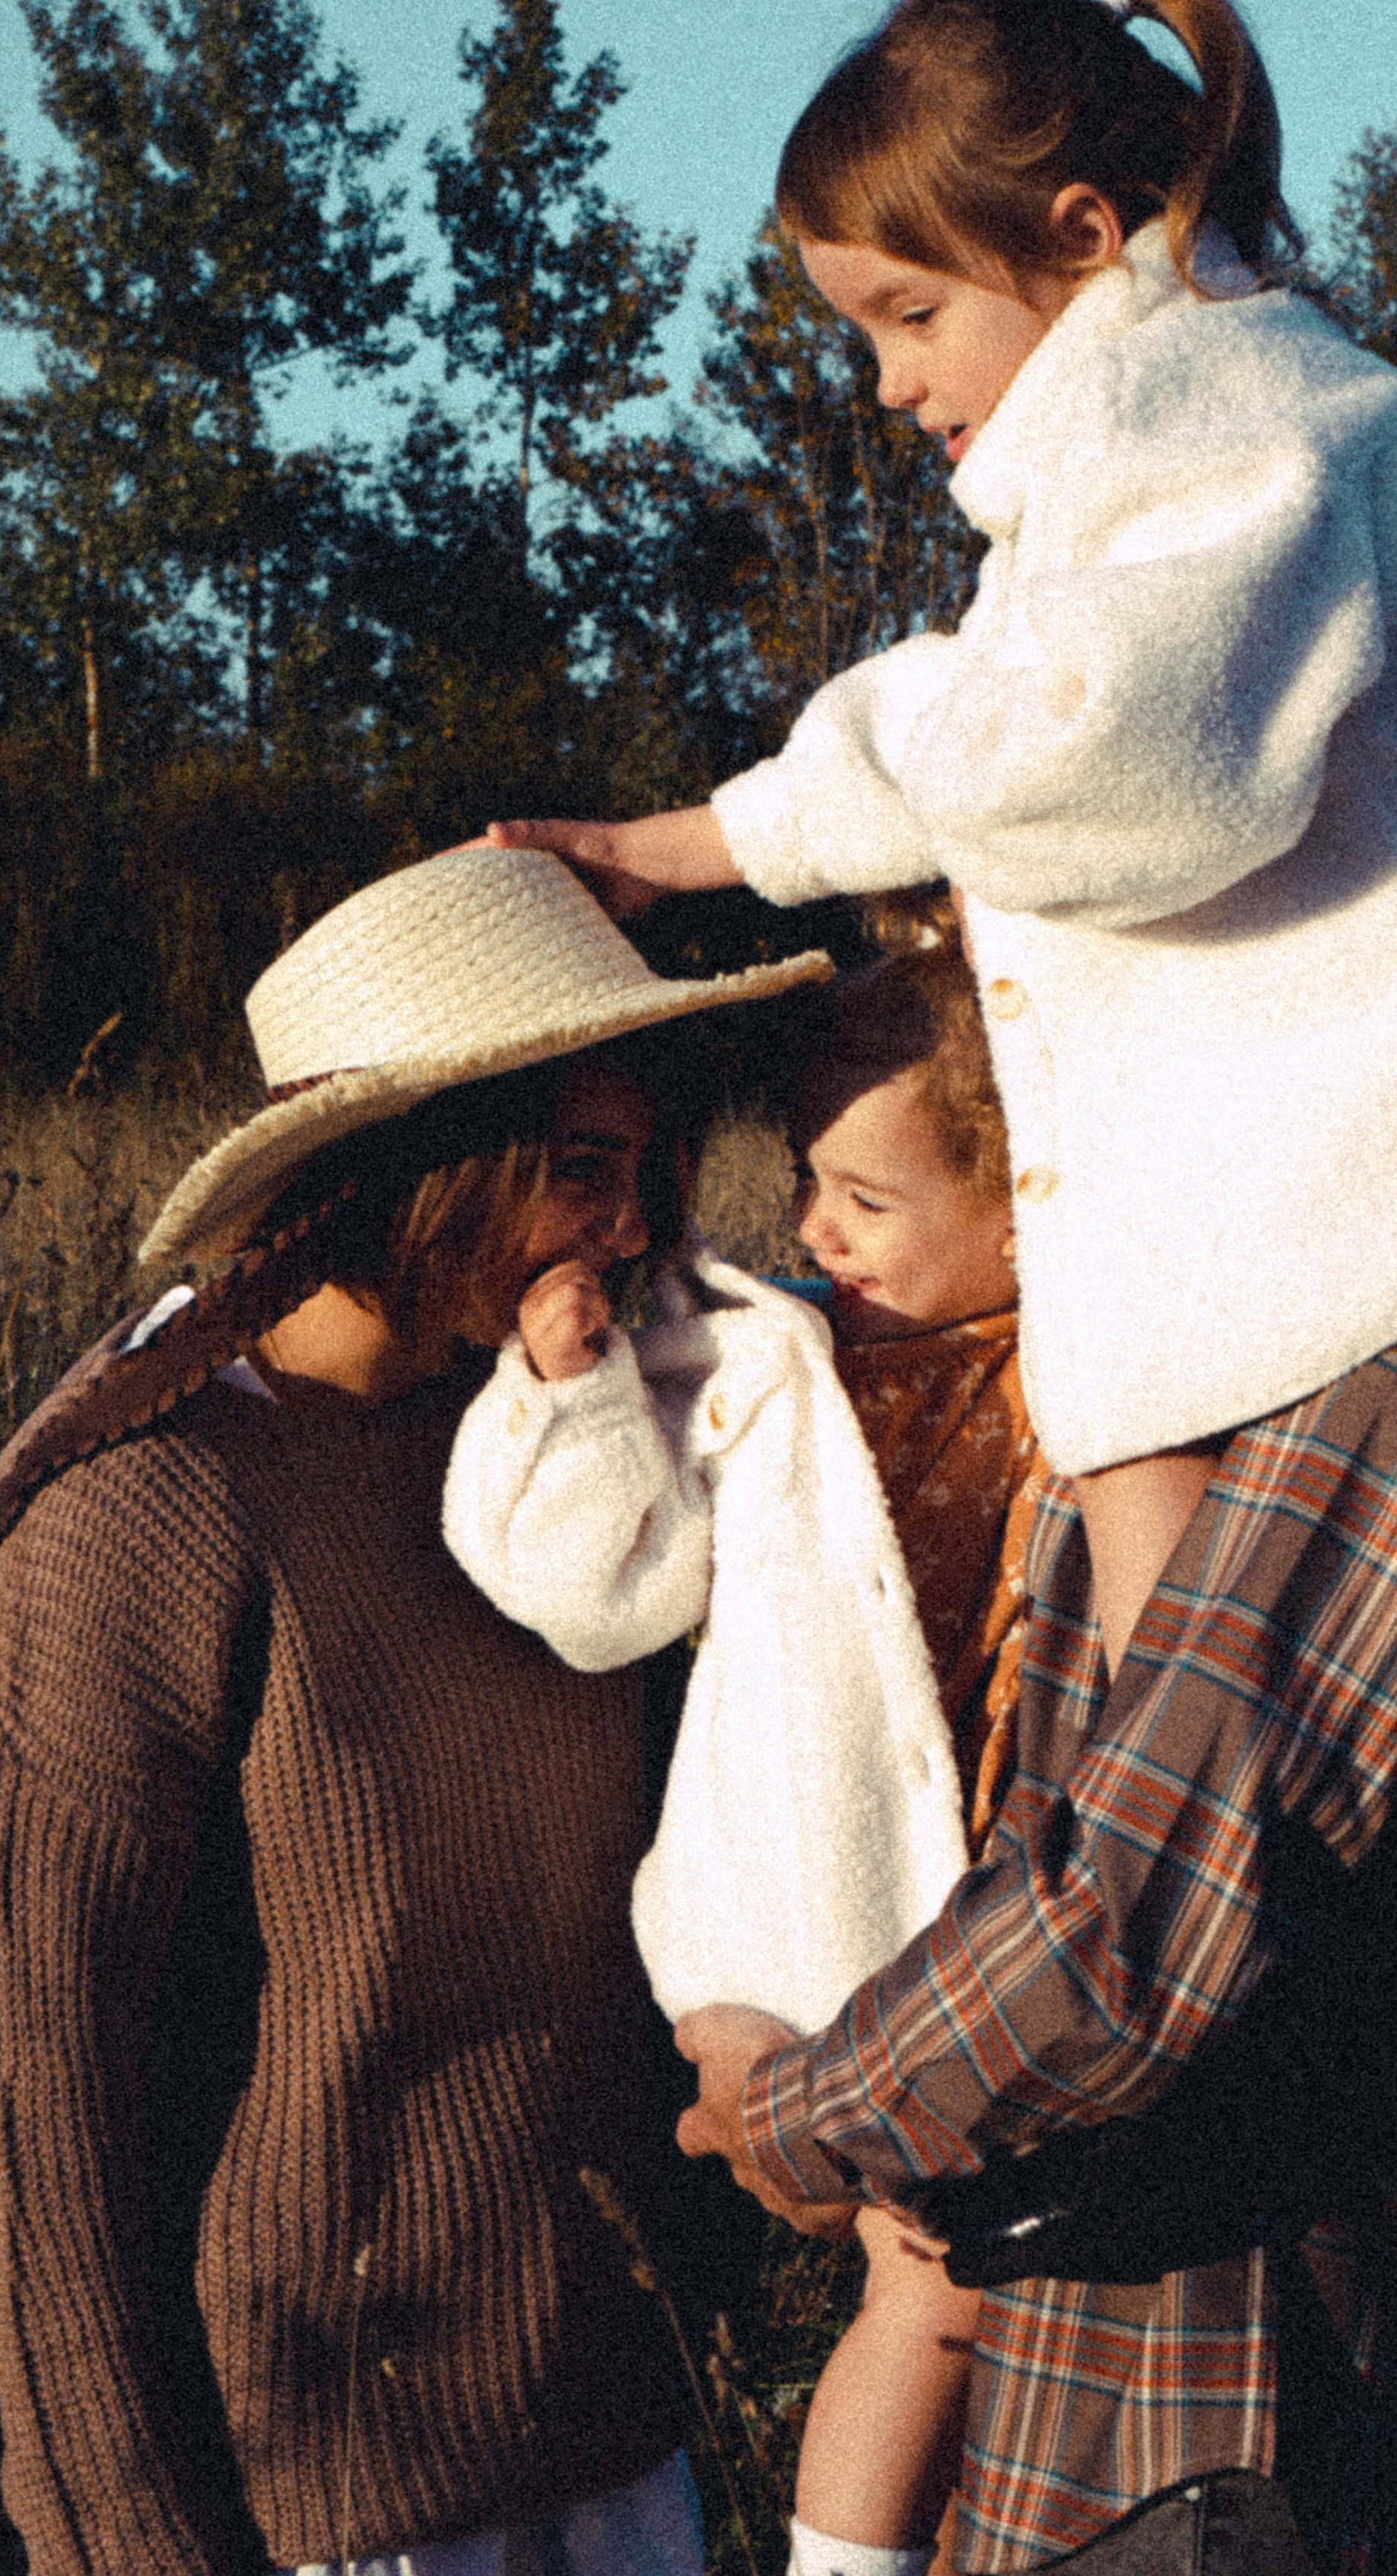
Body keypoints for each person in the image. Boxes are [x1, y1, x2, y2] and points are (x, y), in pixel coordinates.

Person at [488, 0, 1397, 2570]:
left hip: (1264, 2450)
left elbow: (1099, 755)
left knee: (1223, 1904)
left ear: (1086, 240)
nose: (892, 390)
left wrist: (792, 2121)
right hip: (1233, 2405)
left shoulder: (1267, 442)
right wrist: (706, 842)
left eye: (912, 318)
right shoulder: (1202, 482)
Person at [0, 845, 830, 2576]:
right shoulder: (141, 1522)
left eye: (642, 1171)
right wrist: (127, 2547)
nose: (629, 1228)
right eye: (576, 1170)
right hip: (318, 2503)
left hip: (614, 2450)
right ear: (417, 1164)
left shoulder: (564, 1455)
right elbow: (40, 2133)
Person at [445, 918, 1043, 2576]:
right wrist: (563, 1399)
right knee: (932, 2285)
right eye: (805, 1182)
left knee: (1007, 2298)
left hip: (1019, 1904)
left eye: (865, 1200)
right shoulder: (765, 1355)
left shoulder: (1094, 1356)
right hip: (814, 1908)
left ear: (1024, 1199)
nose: (812, 1228)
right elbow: (588, 1594)